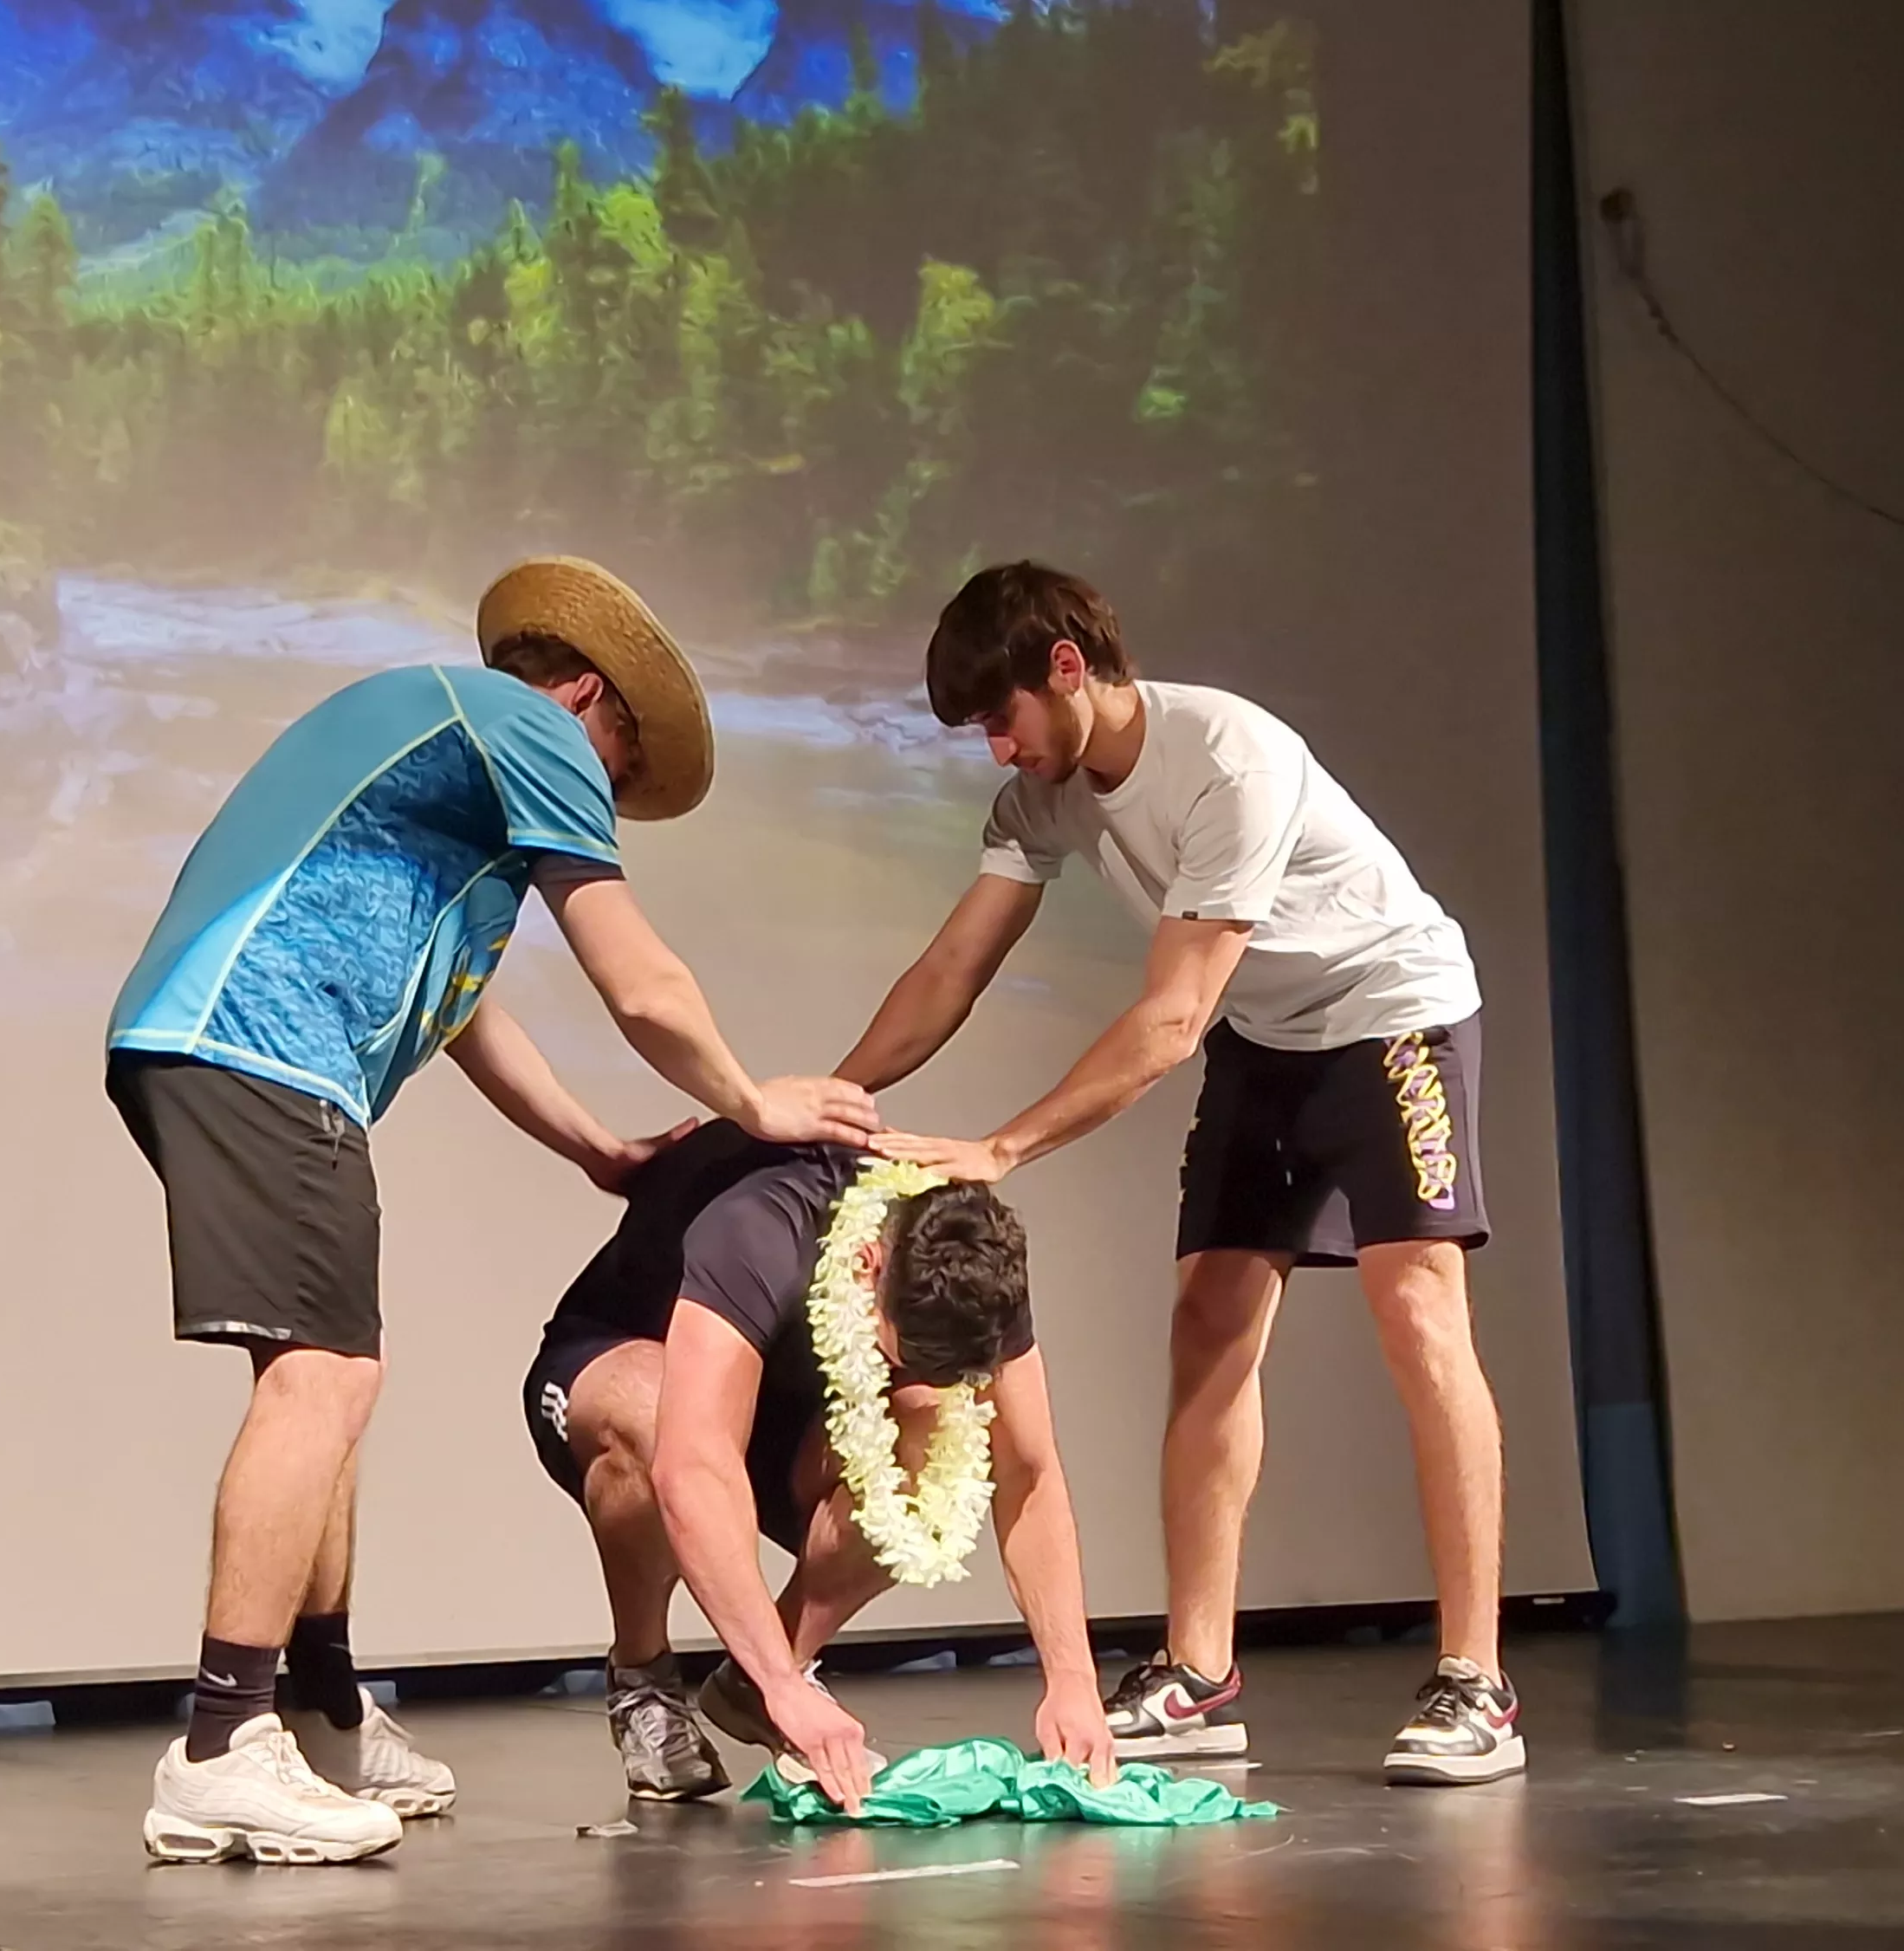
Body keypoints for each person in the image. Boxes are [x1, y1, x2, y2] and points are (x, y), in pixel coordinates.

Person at [110, 559, 880, 1864]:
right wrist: (757, 1100)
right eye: (621, 768)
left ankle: (324, 1712)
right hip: (259, 1043)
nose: (610, 800)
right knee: (328, 1379)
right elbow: (635, 973)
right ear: (586, 694)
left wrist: (595, 1147)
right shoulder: (519, 725)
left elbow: (462, 1008)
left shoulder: (444, 783)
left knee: (328, 1377)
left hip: (239, 1050)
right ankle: (218, 1746)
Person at [843, 561, 1523, 1787]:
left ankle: (1477, 1679)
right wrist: (838, 1104)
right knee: (1211, 1320)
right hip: (1268, 1042)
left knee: (1417, 1308)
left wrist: (1001, 1148)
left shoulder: (1229, 759)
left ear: (1067, 666)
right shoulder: (1042, 796)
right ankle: (1198, 1672)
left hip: (1394, 1017)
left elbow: (1166, 1023)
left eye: (1002, 717)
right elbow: (954, 966)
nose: (997, 748)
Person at [521, 1121, 1117, 1813]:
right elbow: (694, 1469)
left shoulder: (974, 1262)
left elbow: (1030, 1473)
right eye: (902, 1351)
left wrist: (1073, 1679)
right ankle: (645, 1676)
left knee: (934, 1437)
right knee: (652, 1411)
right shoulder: (761, 1229)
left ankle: (759, 1685)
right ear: (866, 1265)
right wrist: (786, 1687)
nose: (910, 1372)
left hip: (786, 1420)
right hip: (620, 1372)